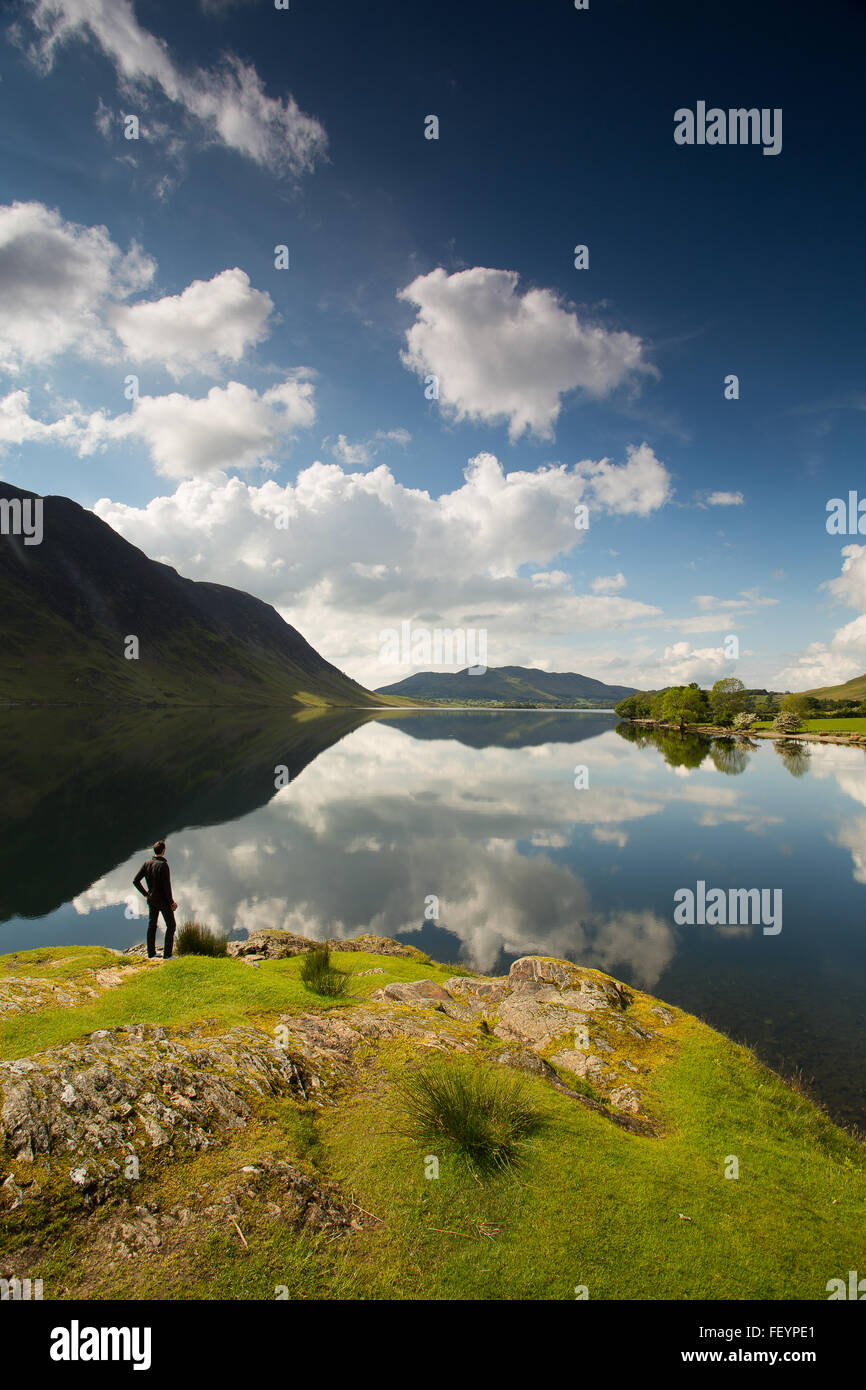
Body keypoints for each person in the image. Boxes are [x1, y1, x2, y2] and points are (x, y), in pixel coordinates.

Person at [133, 839, 178, 959]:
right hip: (163, 901)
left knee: (152, 925)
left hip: (151, 900)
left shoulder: (147, 863)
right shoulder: (163, 865)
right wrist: (172, 902)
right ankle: (167, 955)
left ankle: (151, 953)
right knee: (171, 925)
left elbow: (136, 881)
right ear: (163, 851)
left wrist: (146, 894)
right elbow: (167, 887)